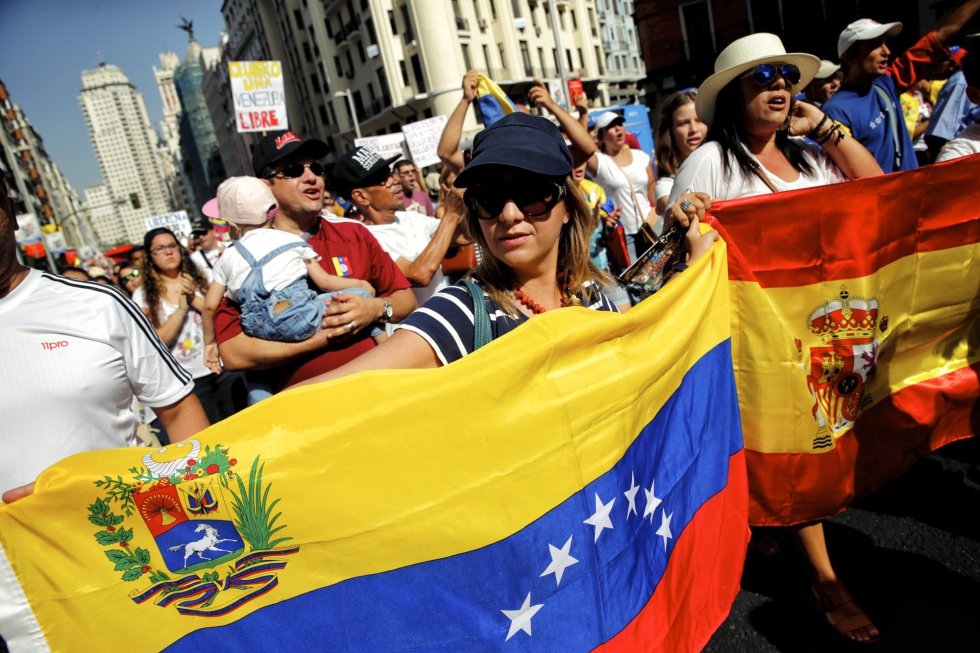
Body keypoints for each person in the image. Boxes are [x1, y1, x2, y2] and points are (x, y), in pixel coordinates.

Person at [667, 33, 885, 643]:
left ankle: (766, 520)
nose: (781, 87)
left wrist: (826, 128)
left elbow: (876, 191)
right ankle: (825, 578)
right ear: (733, 96)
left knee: (810, 440)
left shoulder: (812, 157)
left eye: (787, 76)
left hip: (823, 327)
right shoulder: (713, 158)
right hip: (759, 334)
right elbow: (676, 223)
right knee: (799, 437)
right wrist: (686, 209)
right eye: (762, 78)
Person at [294, 113, 716, 386]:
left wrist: (686, 257)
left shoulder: (590, 294)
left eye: (531, 193)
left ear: (567, 208)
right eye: (489, 197)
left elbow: (650, 339)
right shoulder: (461, 313)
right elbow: (334, 391)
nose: (510, 214)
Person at [0, 167, 209, 500]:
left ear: (10, 212)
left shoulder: (98, 305)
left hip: (124, 541)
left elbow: (180, 411)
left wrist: (207, 508)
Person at [212, 131, 417, 394]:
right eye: (294, 170)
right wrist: (324, 336)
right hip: (303, 416)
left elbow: (406, 298)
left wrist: (376, 309)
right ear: (264, 186)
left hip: (379, 394)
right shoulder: (240, 257)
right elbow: (233, 354)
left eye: (316, 168)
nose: (312, 177)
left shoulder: (353, 233)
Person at [202, 176, 382, 402]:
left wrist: (209, 343)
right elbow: (326, 282)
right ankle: (387, 346)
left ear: (234, 226)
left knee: (254, 371)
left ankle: (261, 402)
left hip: (259, 331)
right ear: (274, 210)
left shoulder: (228, 256)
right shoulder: (290, 240)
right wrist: (360, 285)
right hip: (303, 317)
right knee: (361, 298)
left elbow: (210, 305)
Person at [822, 1, 980, 172]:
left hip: (912, 193)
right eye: (875, 45)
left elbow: (939, 35)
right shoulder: (835, 112)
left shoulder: (886, 84)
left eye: (885, 43)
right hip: (878, 197)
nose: (886, 52)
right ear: (848, 57)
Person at [133, 227, 246, 429]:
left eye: (172, 246)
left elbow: (221, 315)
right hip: (187, 379)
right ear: (150, 257)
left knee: (241, 425)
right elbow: (156, 341)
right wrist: (181, 308)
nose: (169, 252)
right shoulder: (142, 295)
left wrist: (194, 297)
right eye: (160, 248)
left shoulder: (203, 277)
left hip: (222, 366)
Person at [336, 146, 471, 309]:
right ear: (361, 196)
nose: (395, 180)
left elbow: (464, 236)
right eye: (383, 178)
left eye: (391, 172)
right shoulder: (366, 239)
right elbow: (420, 275)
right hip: (418, 330)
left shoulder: (409, 218)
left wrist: (469, 195)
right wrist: (451, 215)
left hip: (448, 316)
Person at [585, 111, 657, 263]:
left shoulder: (640, 156)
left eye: (619, 124)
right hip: (624, 235)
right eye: (611, 126)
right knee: (634, 282)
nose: (618, 128)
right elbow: (581, 145)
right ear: (601, 137)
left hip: (651, 226)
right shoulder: (600, 163)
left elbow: (652, 191)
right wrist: (582, 113)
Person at [654, 90, 707, 214]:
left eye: (699, 120)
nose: (693, 129)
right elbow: (673, 209)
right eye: (683, 123)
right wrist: (684, 202)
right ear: (670, 131)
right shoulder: (666, 185)